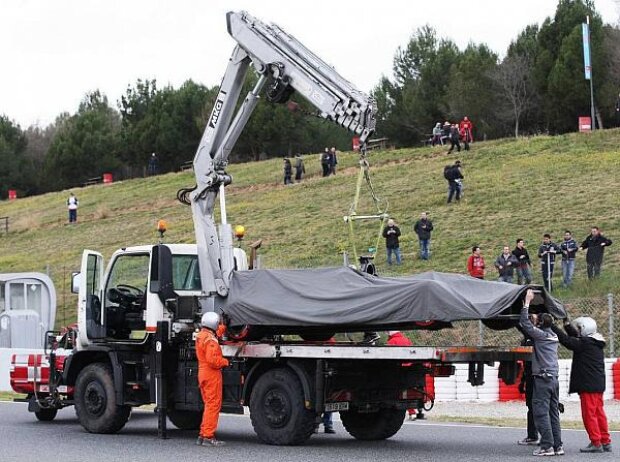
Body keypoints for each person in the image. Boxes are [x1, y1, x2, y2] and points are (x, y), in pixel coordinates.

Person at [551, 317, 612, 453]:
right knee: (599, 413)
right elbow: (576, 337)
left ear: (584, 329)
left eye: (579, 328)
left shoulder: (585, 344)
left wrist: (552, 326)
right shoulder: (595, 342)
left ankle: (596, 442)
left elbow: (567, 341)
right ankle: (605, 441)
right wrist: (567, 325)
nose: (578, 330)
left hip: (588, 385)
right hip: (597, 384)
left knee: (588, 414)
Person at [519, 289, 563, 456]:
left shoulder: (541, 336)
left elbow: (524, 323)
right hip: (553, 378)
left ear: (539, 325)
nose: (534, 318)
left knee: (540, 411)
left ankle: (546, 446)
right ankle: (557, 445)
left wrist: (527, 302)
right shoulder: (553, 336)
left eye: (537, 318)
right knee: (553, 412)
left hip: (543, 378)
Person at [195, 312, 229, 447]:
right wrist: (225, 362)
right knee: (213, 405)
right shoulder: (211, 341)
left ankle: (203, 435)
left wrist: (223, 326)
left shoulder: (202, 336)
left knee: (208, 405)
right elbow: (213, 360)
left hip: (202, 373)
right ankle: (208, 436)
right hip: (212, 374)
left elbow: (216, 333)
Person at [387, 331, 420, 420]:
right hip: (409, 368)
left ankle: (411, 412)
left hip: (398, 369)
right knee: (409, 391)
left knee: (401, 392)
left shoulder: (391, 342)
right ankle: (414, 412)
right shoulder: (406, 340)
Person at [517, 334, 539, 446]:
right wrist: (523, 381)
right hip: (530, 376)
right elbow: (526, 364)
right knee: (531, 407)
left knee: (538, 407)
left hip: (537, 377)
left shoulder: (539, 339)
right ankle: (533, 435)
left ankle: (536, 436)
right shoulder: (526, 340)